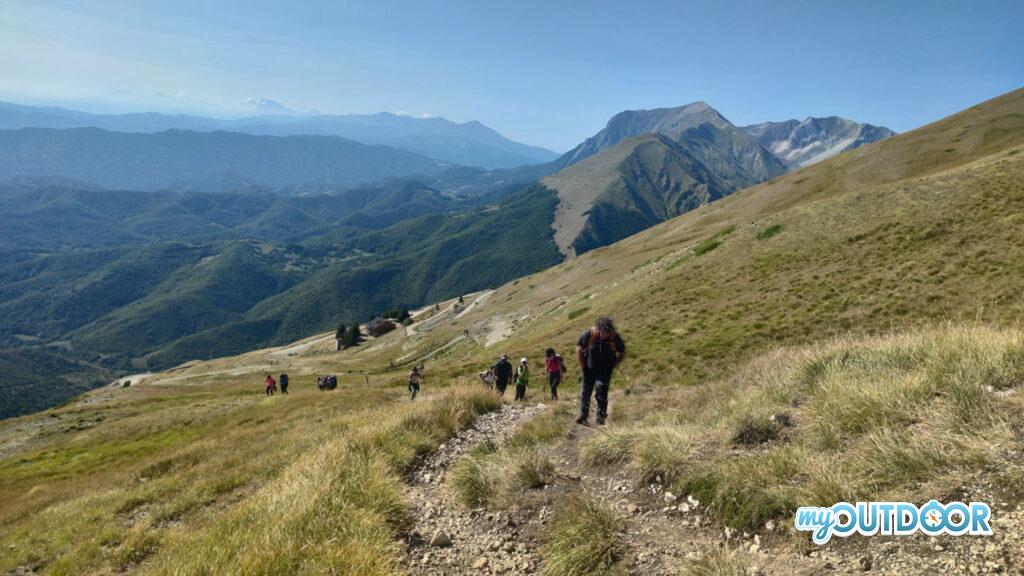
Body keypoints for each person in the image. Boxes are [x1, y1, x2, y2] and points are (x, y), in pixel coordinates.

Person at [576, 316, 626, 425]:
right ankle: (583, 415)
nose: (603, 335)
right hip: (589, 369)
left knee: (601, 391)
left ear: (610, 331)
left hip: (605, 370)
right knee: (586, 392)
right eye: (601, 332)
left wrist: (613, 365)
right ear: (597, 329)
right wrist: (583, 366)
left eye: (606, 333)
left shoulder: (614, 338)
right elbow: (579, 349)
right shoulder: (589, 335)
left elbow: (622, 352)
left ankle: (601, 417)